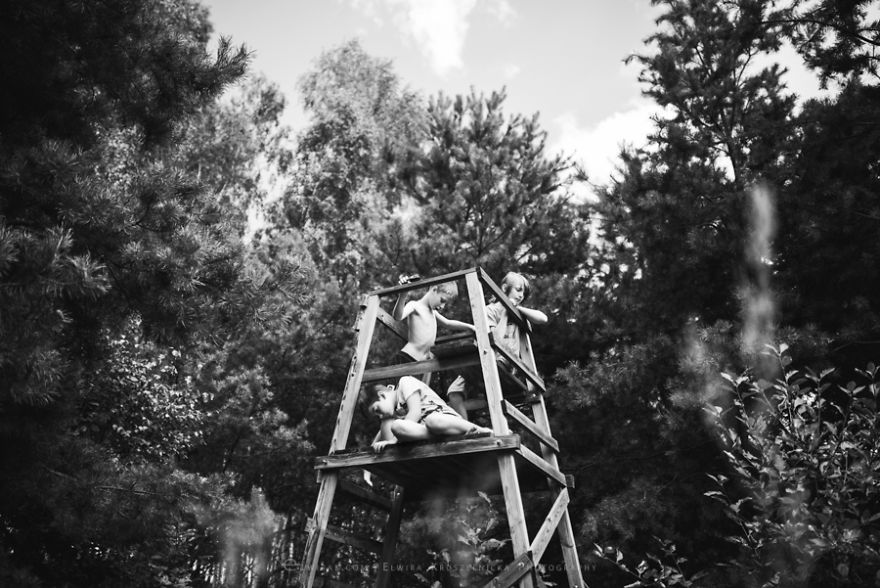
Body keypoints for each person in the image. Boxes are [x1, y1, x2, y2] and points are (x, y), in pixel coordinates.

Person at [447, 271, 548, 418]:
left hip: (504, 362)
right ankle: (467, 427)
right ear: (505, 288)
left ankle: (491, 419)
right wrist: (506, 313)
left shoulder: (519, 314)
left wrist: (517, 309)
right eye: (518, 290)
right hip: (487, 357)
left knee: (494, 394)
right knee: (454, 393)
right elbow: (495, 339)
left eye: (523, 293)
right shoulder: (490, 310)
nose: (521, 295)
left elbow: (543, 318)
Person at [369, 376, 492, 452]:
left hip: (446, 421)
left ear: (382, 395)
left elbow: (415, 412)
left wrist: (393, 441)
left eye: (377, 410)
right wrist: (374, 446)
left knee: (432, 420)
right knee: (397, 426)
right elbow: (384, 432)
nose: (380, 416)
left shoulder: (404, 382)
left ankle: (480, 430)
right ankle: (438, 438)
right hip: (431, 432)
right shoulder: (396, 411)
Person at [392, 279, 475, 363]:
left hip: (421, 363)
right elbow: (398, 317)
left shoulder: (433, 313)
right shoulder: (415, 305)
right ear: (434, 289)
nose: (442, 306)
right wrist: (402, 296)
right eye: (442, 300)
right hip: (407, 357)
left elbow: (448, 323)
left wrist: (471, 327)